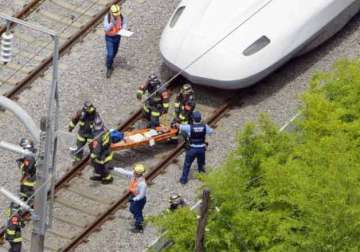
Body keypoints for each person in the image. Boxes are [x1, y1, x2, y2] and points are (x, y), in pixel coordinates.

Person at [177, 111, 213, 184]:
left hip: (192, 149)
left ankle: (183, 180)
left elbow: (180, 126)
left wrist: (176, 124)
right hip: (201, 149)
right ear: (200, 119)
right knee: (201, 164)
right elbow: (211, 132)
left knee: (187, 164)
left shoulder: (189, 127)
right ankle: (202, 177)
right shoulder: (204, 126)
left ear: (193, 119)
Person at [114, 164, 147, 233]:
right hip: (134, 196)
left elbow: (142, 195)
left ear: (138, 173)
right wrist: (114, 168)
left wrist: (134, 199)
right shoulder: (134, 176)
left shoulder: (142, 184)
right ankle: (139, 220)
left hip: (139, 200)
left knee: (137, 212)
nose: (133, 172)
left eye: (135, 171)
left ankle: (139, 227)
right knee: (132, 209)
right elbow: (125, 172)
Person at [104, 4, 127, 78]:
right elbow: (106, 29)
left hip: (117, 37)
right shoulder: (107, 18)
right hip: (109, 38)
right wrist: (112, 23)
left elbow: (124, 24)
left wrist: (124, 30)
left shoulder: (122, 17)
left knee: (115, 51)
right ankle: (109, 67)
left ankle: (110, 60)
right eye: (115, 14)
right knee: (110, 54)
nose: (116, 16)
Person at [17, 138, 36, 204]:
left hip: (29, 177)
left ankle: (33, 200)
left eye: (22, 146)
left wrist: (20, 164)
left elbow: (27, 168)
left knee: (26, 190)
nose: (22, 148)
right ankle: (25, 201)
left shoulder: (29, 156)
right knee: (23, 190)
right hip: (29, 176)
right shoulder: (32, 152)